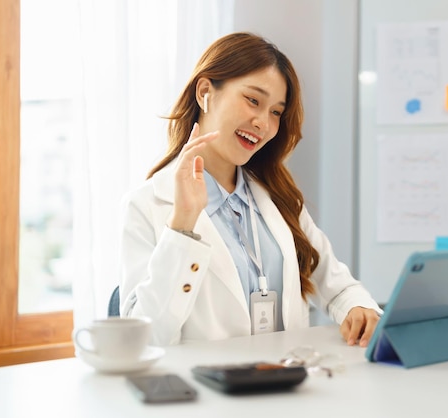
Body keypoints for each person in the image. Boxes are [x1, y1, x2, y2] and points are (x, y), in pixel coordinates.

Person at [118, 32, 381, 348]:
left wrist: (359, 307)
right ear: (205, 92)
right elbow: (143, 339)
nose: (264, 124)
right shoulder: (147, 205)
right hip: (210, 392)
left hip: (288, 384)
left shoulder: (279, 198)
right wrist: (183, 226)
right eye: (253, 100)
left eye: (275, 112)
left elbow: (335, 283)